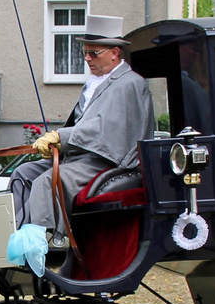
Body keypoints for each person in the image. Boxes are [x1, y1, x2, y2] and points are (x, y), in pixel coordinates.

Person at [10, 29, 155, 242]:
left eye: (93, 53)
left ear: (115, 52)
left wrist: (62, 138)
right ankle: (13, 233)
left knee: (47, 180)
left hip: (109, 161)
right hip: (82, 157)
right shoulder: (96, 81)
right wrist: (58, 143)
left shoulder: (130, 83)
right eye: (84, 53)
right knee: (23, 173)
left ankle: (41, 243)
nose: (87, 58)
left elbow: (105, 128)